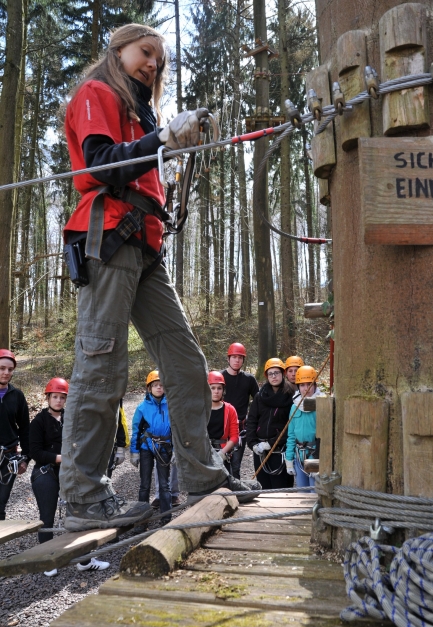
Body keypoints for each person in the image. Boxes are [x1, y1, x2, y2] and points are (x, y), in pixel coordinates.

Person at [60, 23, 260, 530]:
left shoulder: (137, 110)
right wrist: (162, 137)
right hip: (110, 235)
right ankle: (84, 498)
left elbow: (144, 168)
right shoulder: (96, 93)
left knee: (186, 360)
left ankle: (203, 476)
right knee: (102, 363)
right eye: (145, 52)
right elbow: (102, 165)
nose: (153, 64)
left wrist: (167, 141)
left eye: (159, 60)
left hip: (147, 244)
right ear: (118, 49)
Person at [29, 378, 110, 576]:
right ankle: (47, 560)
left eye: (62, 397)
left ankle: (85, 560)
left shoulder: (71, 419)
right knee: (46, 518)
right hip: (46, 472)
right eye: (55, 397)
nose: (58, 401)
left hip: (71, 473)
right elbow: (35, 452)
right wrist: (61, 458)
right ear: (48, 397)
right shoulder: (39, 422)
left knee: (80, 516)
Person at [130, 370, 173, 524]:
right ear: (149, 388)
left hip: (164, 448)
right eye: (155, 385)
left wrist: (175, 451)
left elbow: (176, 430)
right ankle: (142, 520)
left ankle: (166, 518)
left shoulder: (171, 406)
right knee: (144, 484)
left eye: (161, 385)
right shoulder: (142, 408)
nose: (159, 388)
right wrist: (134, 452)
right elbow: (136, 430)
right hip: (147, 448)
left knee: (164, 484)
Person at [246, 359, 293, 490]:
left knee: (280, 488)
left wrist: (271, 443)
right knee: (263, 487)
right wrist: (252, 443)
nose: (274, 376)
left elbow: (290, 427)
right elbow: (252, 421)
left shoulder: (290, 396)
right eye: (270, 373)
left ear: (282, 374)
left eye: (276, 373)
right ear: (267, 376)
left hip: (279, 450)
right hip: (260, 450)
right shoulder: (259, 396)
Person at [221, 343, 259, 479]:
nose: (237, 360)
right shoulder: (219, 378)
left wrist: (253, 420)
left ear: (243, 360)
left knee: (235, 467)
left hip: (240, 429)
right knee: (220, 465)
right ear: (228, 358)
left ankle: (235, 495)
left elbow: (259, 400)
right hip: (220, 429)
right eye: (234, 357)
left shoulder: (249, 379)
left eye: (240, 358)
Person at [0, 349, 29, 520]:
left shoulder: (17, 396)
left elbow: (25, 428)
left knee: (1, 503)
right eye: (2, 368)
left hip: (9, 457)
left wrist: (25, 458)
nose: (6, 373)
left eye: (10, 369)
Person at [285, 366, 322, 491]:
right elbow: (291, 435)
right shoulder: (295, 406)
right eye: (302, 385)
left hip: (314, 454)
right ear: (298, 387)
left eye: (309, 384)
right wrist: (289, 459)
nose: (306, 388)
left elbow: (324, 437)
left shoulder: (321, 405)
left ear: (315, 385)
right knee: (302, 491)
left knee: (314, 492)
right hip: (299, 455)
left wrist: (319, 460)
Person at [207, 372, 239, 473]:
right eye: (213, 388)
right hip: (204, 452)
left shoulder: (230, 409)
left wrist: (222, 453)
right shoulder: (201, 409)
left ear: (223, 390)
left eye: (219, 388)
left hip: (222, 452)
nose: (216, 391)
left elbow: (234, 436)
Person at [107, 398, 129, 479]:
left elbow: (120, 422)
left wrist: (121, 446)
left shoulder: (115, 396)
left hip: (108, 443)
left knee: (107, 473)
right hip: (90, 443)